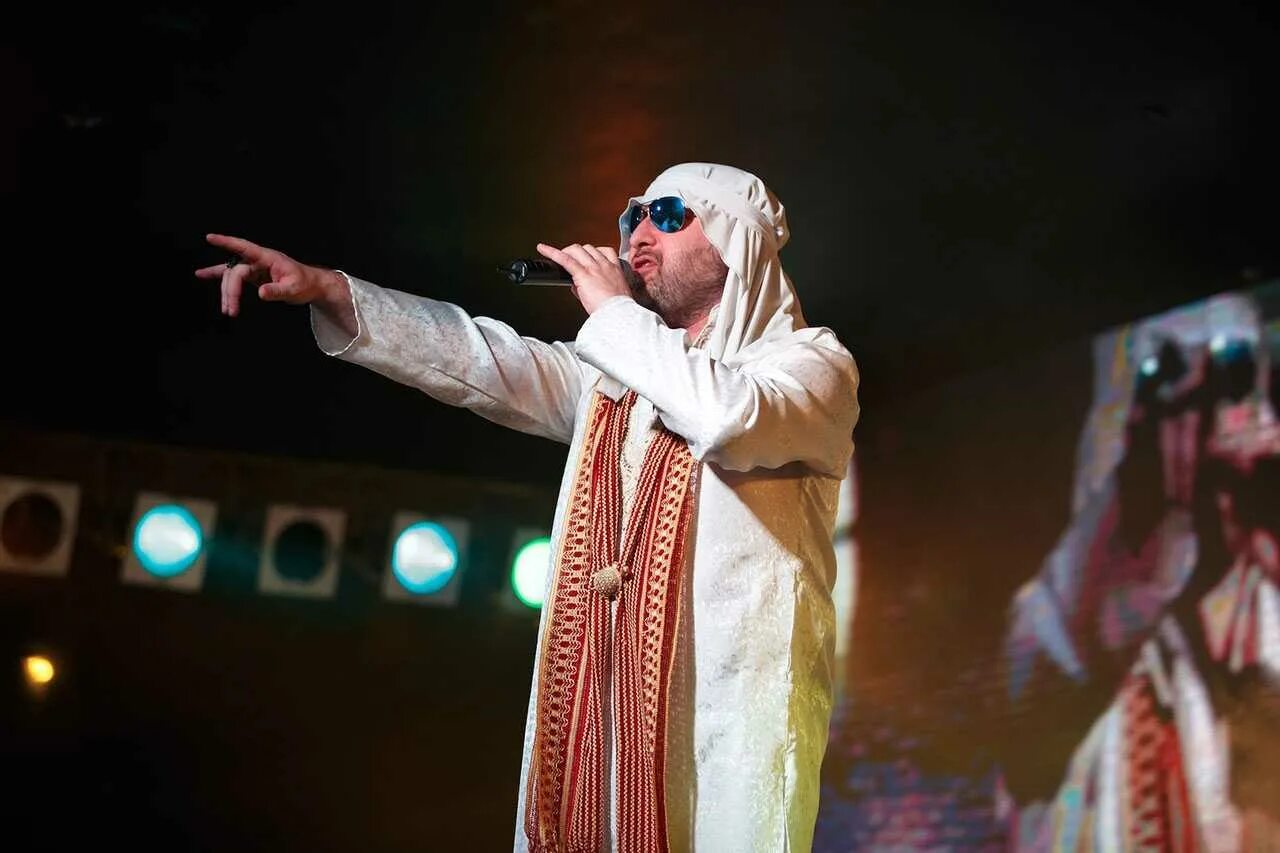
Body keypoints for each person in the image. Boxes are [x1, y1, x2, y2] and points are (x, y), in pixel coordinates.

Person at [197, 162, 860, 852]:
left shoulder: (811, 367)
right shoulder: (613, 379)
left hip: (727, 734)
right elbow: (478, 357)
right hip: (602, 725)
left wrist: (613, 313)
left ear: (735, 241)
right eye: (632, 216)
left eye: (667, 215)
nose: (638, 234)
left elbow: (727, 418)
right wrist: (332, 290)